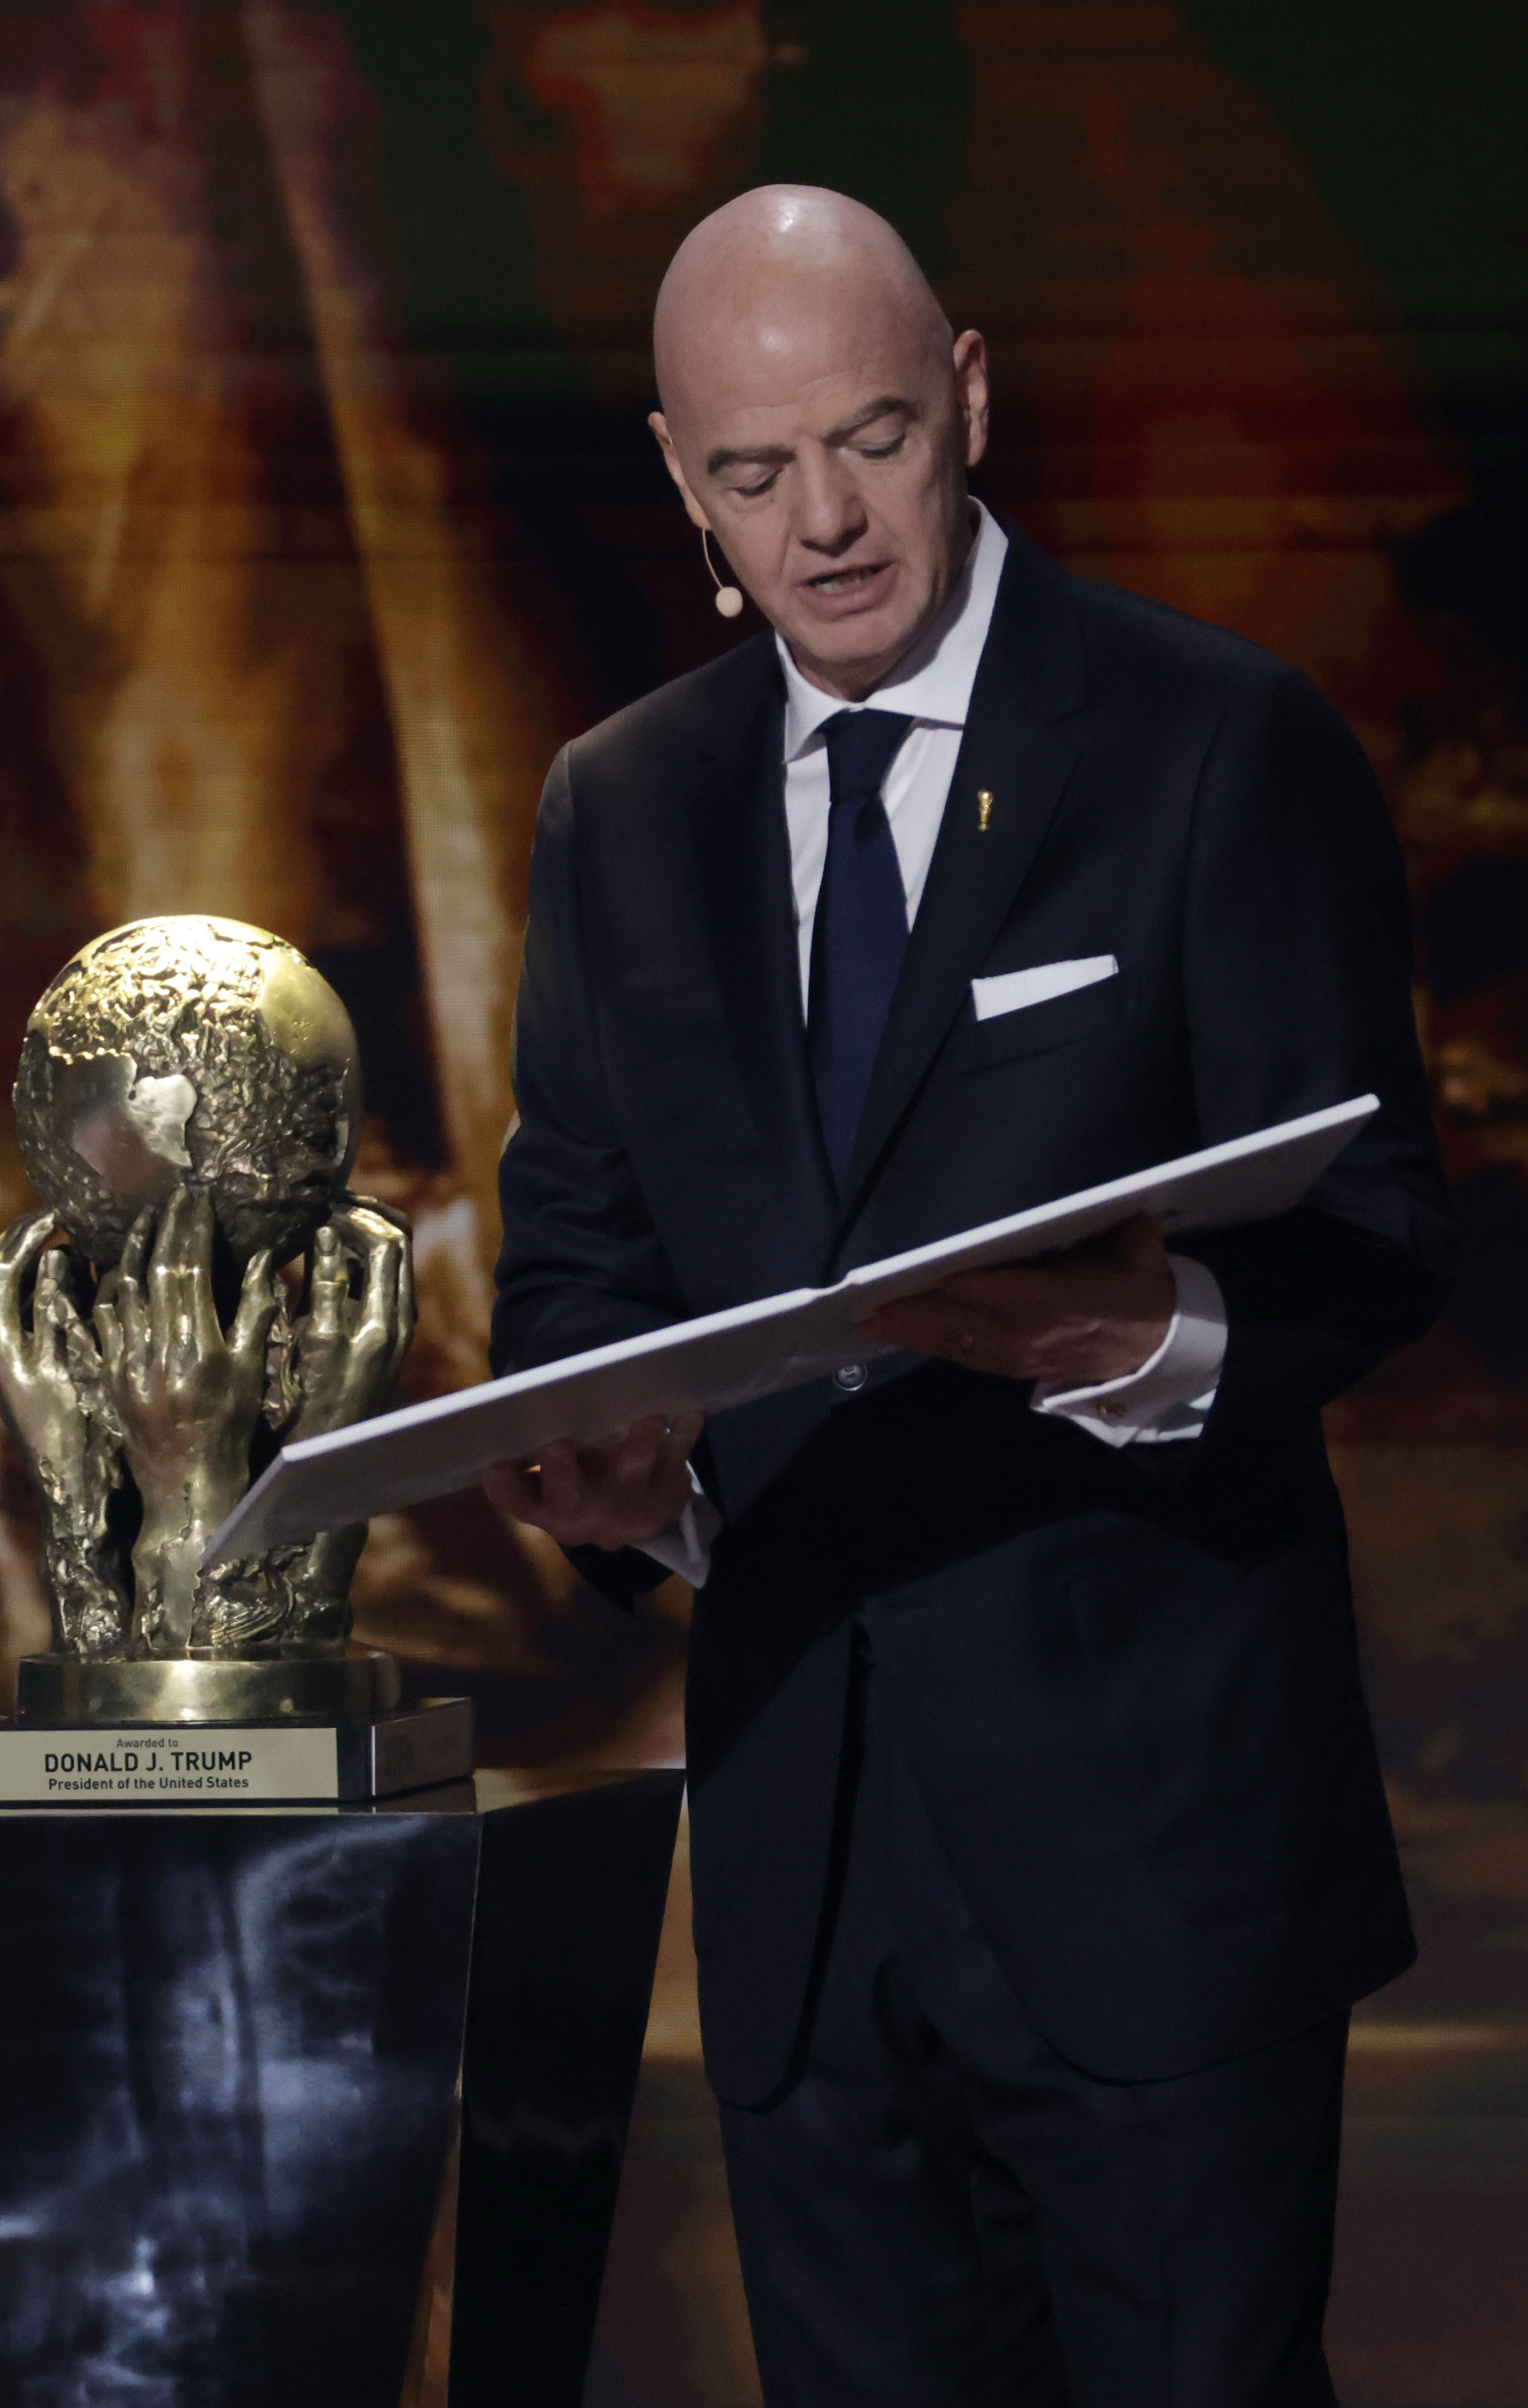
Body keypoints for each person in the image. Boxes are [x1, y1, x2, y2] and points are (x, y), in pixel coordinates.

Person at [481, 186, 1453, 2407]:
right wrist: (616, 1476)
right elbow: (580, 1260)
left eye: (875, 438)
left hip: (1157, 1862)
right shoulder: (617, 807)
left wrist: (1145, 1337)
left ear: (975, 401)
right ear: (678, 477)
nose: (822, 520)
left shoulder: (1213, 743)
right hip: (808, 1885)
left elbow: (1383, 1221)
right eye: (753, 470)